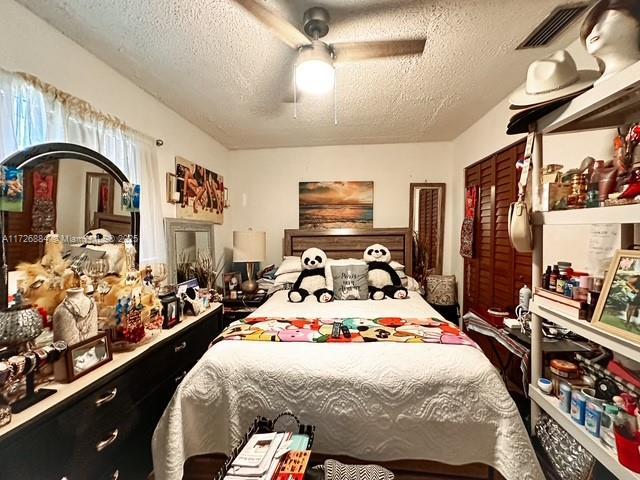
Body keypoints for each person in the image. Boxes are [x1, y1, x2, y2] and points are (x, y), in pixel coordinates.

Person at [581, 0, 640, 84]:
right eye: (591, 26)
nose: (596, 28)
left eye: (609, 17)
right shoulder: (599, 89)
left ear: (637, 23)